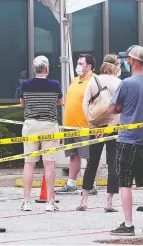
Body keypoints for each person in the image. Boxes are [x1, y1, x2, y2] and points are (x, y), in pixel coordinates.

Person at [76, 54, 121, 212]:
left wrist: (91, 122)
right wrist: (112, 125)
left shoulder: (93, 81)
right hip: (114, 128)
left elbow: (84, 103)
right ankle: (109, 202)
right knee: (113, 164)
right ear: (117, 66)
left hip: (95, 127)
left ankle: (84, 200)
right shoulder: (119, 83)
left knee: (92, 162)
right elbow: (121, 108)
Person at [19, 56, 63, 212]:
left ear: (34, 69)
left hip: (30, 125)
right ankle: (50, 202)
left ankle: (26, 201)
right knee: (49, 163)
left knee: (29, 163)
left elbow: (22, 103)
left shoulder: (25, 84)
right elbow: (60, 102)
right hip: (49, 125)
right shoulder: (55, 85)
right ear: (47, 69)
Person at [109, 45, 143, 236]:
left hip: (128, 139)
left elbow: (111, 109)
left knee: (125, 182)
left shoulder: (126, 83)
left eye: (127, 59)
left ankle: (128, 225)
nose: (125, 62)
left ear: (133, 61)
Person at [56, 54, 97, 194]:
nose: (78, 66)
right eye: (78, 63)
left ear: (89, 66)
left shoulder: (94, 80)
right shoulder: (74, 80)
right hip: (69, 125)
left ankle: (92, 185)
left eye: (81, 64)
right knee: (73, 155)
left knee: (90, 157)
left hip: (85, 126)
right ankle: (71, 183)